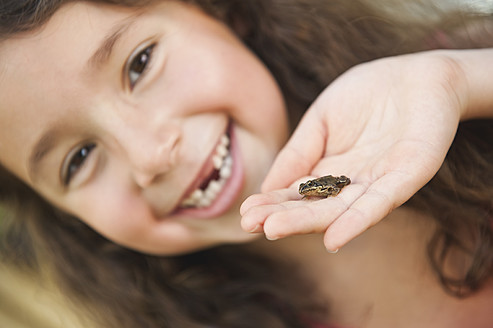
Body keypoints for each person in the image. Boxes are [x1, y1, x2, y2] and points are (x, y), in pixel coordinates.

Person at [0, 0, 492, 327]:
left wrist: (466, 81)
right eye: (79, 159)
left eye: (140, 64)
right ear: (63, 215)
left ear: (216, 9)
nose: (150, 155)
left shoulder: (462, 76)